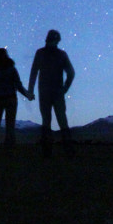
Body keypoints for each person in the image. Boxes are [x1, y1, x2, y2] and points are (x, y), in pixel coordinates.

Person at [27, 29, 75, 157]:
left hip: (45, 92)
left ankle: (48, 151)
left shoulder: (41, 53)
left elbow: (34, 73)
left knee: (47, 120)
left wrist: (30, 90)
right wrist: (65, 88)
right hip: (56, 92)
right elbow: (71, 73)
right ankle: (67, 150)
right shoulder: (61, 54)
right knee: (61, 120)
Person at [0, 47, 33, 155]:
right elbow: (18, 85)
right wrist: (27, 95)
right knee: (10, 125)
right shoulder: (12, 69)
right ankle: (9, 149)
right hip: (11, 98)